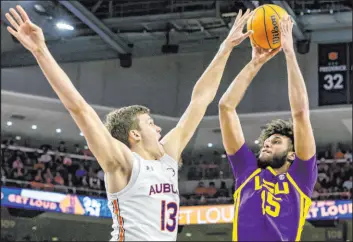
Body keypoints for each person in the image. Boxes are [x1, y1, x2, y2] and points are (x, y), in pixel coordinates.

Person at [5, 6, 254, 241]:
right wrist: (40, 51)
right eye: (151, 123)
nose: (158, 129)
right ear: (135, 134)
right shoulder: (124, 162)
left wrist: (225, 49)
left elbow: (200, 100)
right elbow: (79, 108)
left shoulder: (167, 156)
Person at [218, 15, 318, 241]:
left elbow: (301, 114)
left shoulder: (301, 177)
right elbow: (226, 107)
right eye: (268, 140)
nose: (267, 143)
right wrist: (255, 63)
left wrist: (290, 54)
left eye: (276, 141)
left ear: (292, 154)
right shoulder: (246, 171)